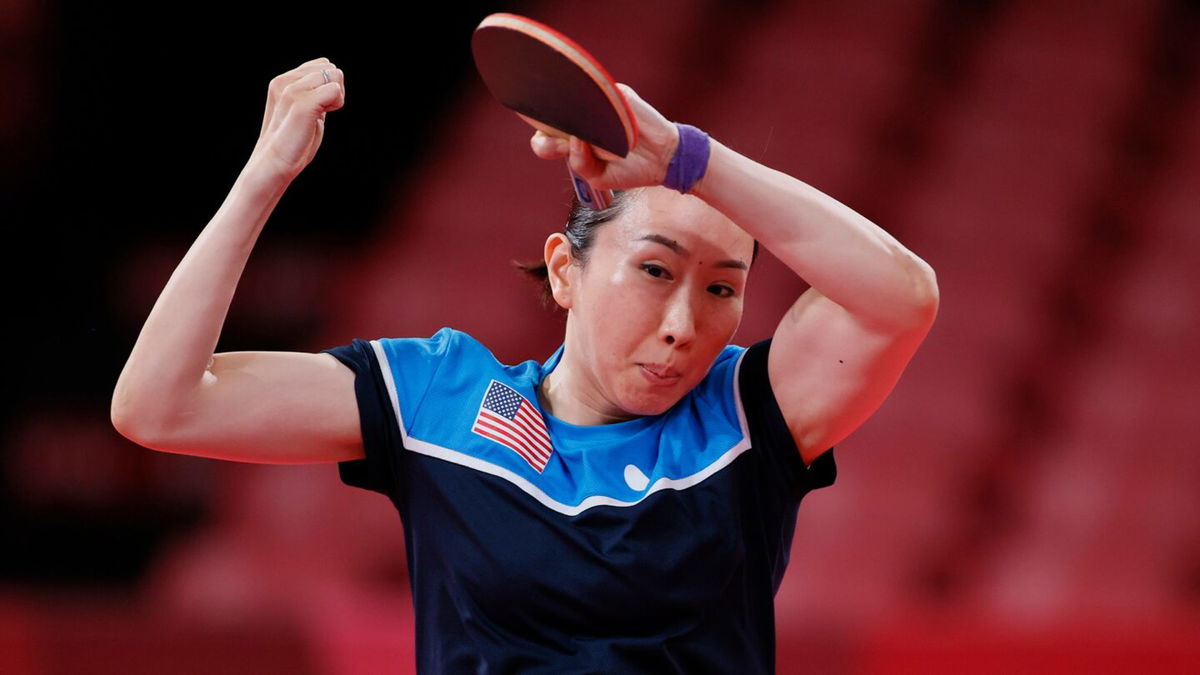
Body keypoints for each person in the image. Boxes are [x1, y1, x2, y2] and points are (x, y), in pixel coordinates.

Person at [112, 57, 938, 672]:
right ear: (565, 268)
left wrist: (690, 160)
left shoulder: (745, 419)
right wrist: (265, 177)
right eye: (655, 269)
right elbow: (160, 404)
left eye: (724, 287)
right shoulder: (439, 401)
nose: (687, 324)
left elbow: (902, 296)